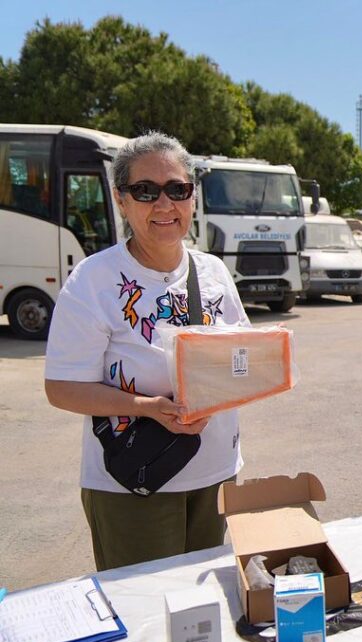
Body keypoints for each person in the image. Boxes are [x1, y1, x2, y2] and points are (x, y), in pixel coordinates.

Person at [44, 131, 250, 571]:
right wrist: (148, 408)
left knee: (204, 605)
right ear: (121, 200)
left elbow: (243, 358)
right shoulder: (93, 280)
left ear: (192, 197)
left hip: (215, 473)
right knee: (143, 605)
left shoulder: (214, 271)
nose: (164, 204)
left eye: (177, 189)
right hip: (134, 481)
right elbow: (61, 388)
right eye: (145, 191)